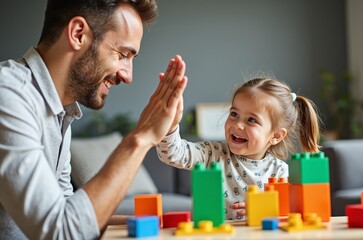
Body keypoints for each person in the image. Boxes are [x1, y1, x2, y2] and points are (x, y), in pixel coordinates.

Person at [0, 0, 188, 239]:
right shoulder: (8, 96)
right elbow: (62, 232)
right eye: (122, 54)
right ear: (78, 34)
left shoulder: (60, 112)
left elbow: (68, 210)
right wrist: (142, 137)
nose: (128, 75)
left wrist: (160, 223)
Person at [156, 77, 320, 220]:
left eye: (251, 120)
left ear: (276, 136)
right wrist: (170, 126)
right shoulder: (211, 153)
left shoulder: (280, 173)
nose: (238, 124)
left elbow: (291, 214)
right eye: (234, 114)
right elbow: (171, 154)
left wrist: (261, 209)